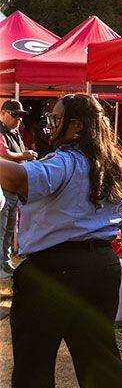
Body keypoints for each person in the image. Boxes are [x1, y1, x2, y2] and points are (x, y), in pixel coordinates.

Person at [0, 93, 122, 388]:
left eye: (56, 118)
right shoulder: (116, 164)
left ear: (77, 125)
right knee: (100, 356)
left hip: (53, 270)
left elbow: (19, 179)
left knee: (34, 363)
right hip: (101, 264)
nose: (49, 124)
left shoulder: (64, 161)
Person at [0, 99, 37, 273]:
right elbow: (4, 154)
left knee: (9, 228)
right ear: (2, 114)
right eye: (15, 115)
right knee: (2, 229)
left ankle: (5, 264)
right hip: (3, 188)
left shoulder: (15, 133)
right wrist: (23, 155)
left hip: (13, 187)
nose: (18, 120)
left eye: (20, 117)